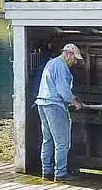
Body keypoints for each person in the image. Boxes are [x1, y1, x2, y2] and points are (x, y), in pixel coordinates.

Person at [35, 43, 84, 182]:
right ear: (68, 54)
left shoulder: (51, 63)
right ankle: (61, 173)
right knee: (62, 142)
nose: (75, 62)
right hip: (54, 105)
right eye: (74, 58)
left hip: (42, 103)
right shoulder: (61, 66)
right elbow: (63, 90)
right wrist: (75, 102)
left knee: (47, 140)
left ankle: (46, 171)